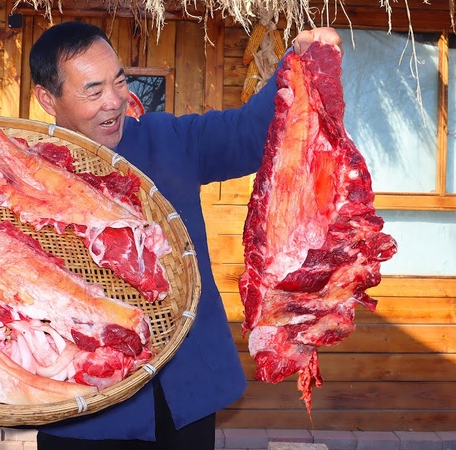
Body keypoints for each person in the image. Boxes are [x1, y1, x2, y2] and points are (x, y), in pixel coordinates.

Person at [29, 20, 343, 449]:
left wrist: (299, 60)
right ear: (47, 98)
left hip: (183, 392)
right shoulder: (25, 173)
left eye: (120, 82)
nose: (114, 102)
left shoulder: (167, 140)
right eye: (93, 90)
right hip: (83, 405)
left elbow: (248, 133)